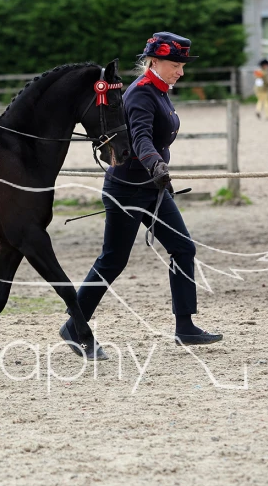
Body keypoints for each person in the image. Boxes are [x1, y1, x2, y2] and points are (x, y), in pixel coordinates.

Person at [60, 31, 223, 350]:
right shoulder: (140, 93)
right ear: (154, 62)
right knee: (113, 260)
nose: (181, 71)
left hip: (152, 187)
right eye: (175, 65)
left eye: (182, 65)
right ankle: (74, 326)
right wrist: (155, 164)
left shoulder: (160, 90)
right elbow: (140, 138)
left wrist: (158, 170)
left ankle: (185, 326)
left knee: (183, 248)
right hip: (127, 188)